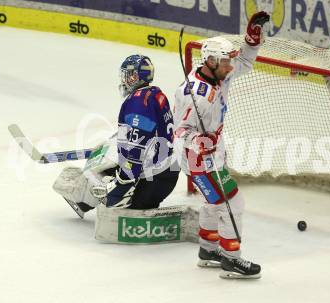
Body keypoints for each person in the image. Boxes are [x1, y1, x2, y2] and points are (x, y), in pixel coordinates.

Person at [173, 11, 270, 279]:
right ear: (211, 61)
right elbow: (178, 133)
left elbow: (246, 64)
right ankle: (230, 259)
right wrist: (198, 141)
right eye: (226, 63)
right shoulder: (193, 94)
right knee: (233, 201)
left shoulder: (220, 73)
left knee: (214, 202)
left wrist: (252, 41)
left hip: (213, 152)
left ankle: (207, 251)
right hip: (198, 159)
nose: (231, 68)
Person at [54, 54, 178, 217]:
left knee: (97, 174)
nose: (125, 79)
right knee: (110, 150)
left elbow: (135, 151)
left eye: (128, 74)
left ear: (136, 76)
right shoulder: (154, 93)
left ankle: (84, 202)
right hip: (168, 170)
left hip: (153, 181)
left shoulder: (138, 104)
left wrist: (120, 186)